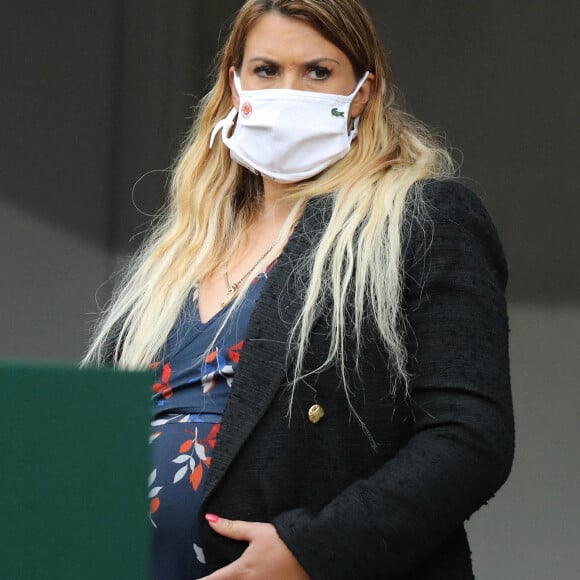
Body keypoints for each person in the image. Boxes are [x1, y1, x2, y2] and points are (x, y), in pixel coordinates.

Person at [84, 0, 514, 578]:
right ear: (235, 85)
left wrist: (314, 551)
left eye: (318, 71)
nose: (290, 91)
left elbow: (470, 438)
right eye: (267, 70)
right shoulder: (182, 249)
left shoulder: (422, 218)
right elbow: (94, 429)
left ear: (362, 91)